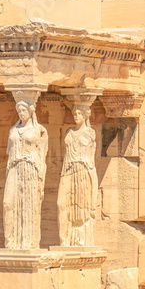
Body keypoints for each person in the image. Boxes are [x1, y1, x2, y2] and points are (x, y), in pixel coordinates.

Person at [3, 100, 48, 249]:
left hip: (30, 168)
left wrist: (41, 178)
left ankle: (28, 243)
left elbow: (42, 155)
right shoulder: (13, 130)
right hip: (14, 168)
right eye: (19, 111)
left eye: (23, 110)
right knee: (8, 203)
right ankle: (11, 242)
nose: (21, 114)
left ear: (30, 112)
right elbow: (9, 152)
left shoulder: (39, 130)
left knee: (29, 205)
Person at [58, 105, 98, 246]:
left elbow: (91, 157)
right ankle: (65, 239)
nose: (76, 116)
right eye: (75, 113)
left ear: (86, 115)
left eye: (79, 113)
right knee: (62, 204)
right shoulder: (69, 132)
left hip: (83, 170)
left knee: (82, 205)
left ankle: (80, 240)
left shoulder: (90, 133)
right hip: (68, 170)